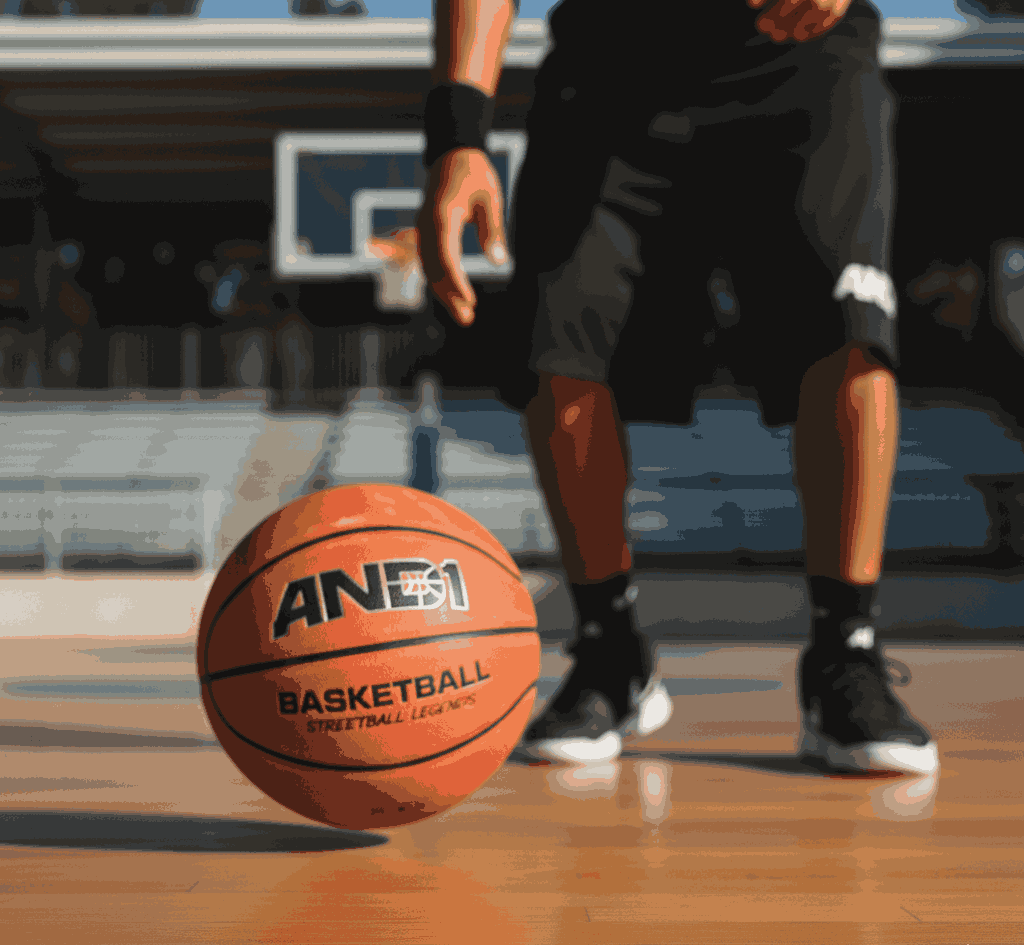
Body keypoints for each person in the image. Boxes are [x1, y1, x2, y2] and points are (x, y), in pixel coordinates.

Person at [413, 0, 937, 775]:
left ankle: (844, 649)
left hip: (799, 55)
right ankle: (609, 647)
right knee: (557, 344)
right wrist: (458, 137)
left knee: (851, 328)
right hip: (607, 70)